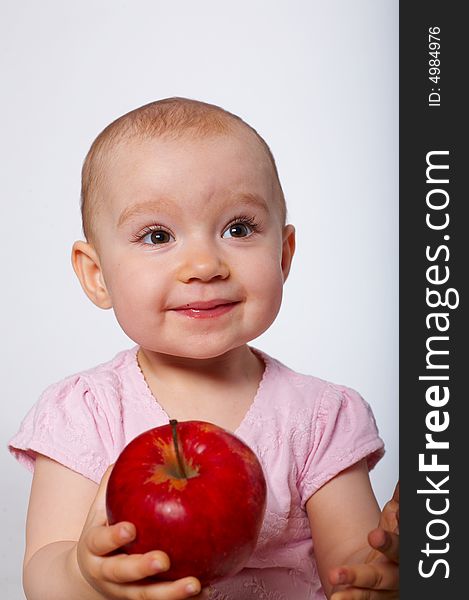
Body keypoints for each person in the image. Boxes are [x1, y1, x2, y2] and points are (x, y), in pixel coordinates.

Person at [8, 97, 399, 600]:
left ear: (283, 255)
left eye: (238, 229)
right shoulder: (84, 413)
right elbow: (42, 576)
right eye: (157, 235)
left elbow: (349, 572)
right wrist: (85, 573)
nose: (203, 264)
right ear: (97, 275)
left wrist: (383, 571)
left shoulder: (322, 418)